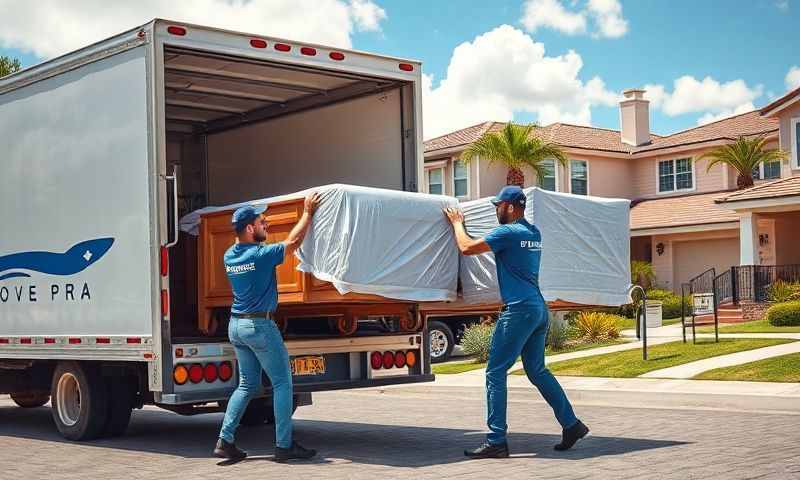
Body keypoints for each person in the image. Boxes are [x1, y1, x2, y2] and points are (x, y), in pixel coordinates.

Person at [443, 185, 589, 459]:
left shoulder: (507, 233)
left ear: (510, 207)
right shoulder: (533, 233)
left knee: (495, 372)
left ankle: (496, 440)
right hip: (537, 308)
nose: (496, 210)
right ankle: (572, 424)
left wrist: (457, 223)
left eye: (498, 205)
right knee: (536, 370)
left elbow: (465, 247)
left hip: (519, 310)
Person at [214, 192, 322, 463]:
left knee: (247, 384)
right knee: (283, 383)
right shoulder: (262, 255)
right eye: (263, 222)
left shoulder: (230, 255)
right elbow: (294, 241)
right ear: (250, 228)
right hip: (260, 326)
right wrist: (307, 212)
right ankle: (284, 446)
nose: (267, 225)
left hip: (236, 326)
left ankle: (225, 440)